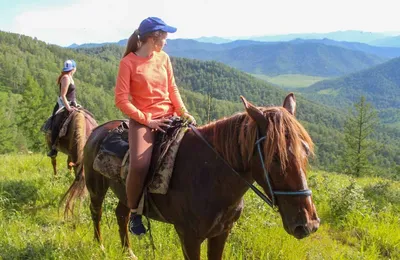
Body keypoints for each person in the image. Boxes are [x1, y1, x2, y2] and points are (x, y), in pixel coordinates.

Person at [114, 17, 195, 235]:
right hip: (144, 121)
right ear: (153, 37)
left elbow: (173, 88)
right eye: (165, 36)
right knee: (139, 165)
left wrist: (184, 112)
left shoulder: (164, 58)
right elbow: (121, 100)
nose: (167, 41)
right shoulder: (128, 63)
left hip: (170, 116)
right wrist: (146, 120)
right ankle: (134, 213)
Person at [47, 59, 78, 157]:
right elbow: (63, 95)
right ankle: (53, 148)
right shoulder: (66, 78)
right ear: (73, 68)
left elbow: (72, 94)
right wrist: (68, 108)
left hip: (72, 104)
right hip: (63, 105)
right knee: (56, 124)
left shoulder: (70, 77)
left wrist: (75, 103)